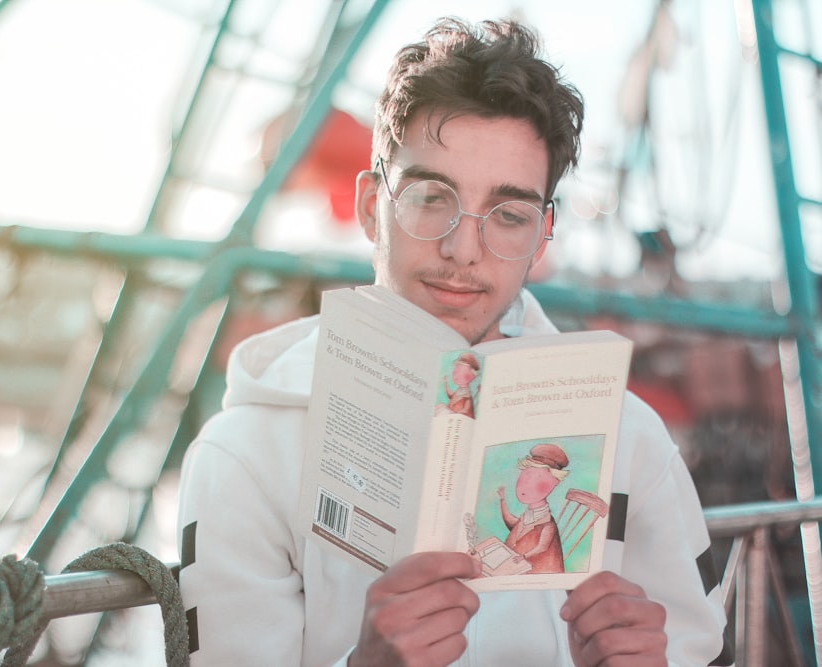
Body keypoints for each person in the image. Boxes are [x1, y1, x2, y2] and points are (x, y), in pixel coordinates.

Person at [176, 17, 731, 667]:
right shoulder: (243, 452)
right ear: (368, 206)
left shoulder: (631, 438)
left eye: (509, 214)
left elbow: (705, 647)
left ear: (542, 234)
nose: (462, 248)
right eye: (431, 197)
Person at [497, 443, 570, 574]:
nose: (526, 483)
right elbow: (515, 525)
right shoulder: (528, 516)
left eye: (537, 477)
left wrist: (523, 557)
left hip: (535, 574)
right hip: (510, 569)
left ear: (554, 483)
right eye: (525, 475)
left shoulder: (547, 525)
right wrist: (502, 500)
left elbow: (542, 547)